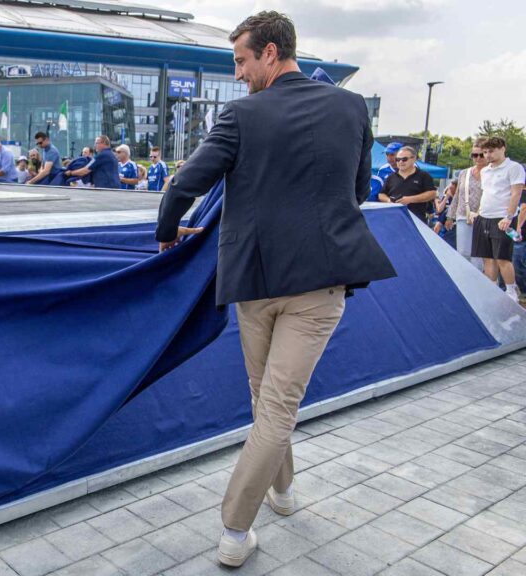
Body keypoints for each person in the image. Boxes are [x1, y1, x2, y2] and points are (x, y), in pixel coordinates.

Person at [155, 11, 395, 567]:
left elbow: (183, 185)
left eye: (240, 60)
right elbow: (356, 191)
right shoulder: (351, 107)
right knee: (274, 404)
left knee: (270, 403)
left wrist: (167, 235)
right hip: (319, 280)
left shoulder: (239, 116)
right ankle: (282, 491)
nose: (237, 74)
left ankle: (235, 528)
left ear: (269, 53)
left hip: (254, 282)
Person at [473, 136, 526, 301]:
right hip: (483, 217)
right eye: (485, 151)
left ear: (502, 148)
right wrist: (477, 212)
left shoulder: (514, 167)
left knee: (503, 257)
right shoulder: (485, 170)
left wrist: (509, 217)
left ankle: (511, 291)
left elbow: (516, 194)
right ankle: (492, 289)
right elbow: (486, 193)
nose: (488, 155)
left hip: (503, 219)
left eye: (491, 151)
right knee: (487, 258)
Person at [445, 141, 487, 267]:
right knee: (463, 252)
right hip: (464, 215)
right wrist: (449, 216)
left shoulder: (492, 173)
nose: (478, 158)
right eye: (475, 155)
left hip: (484, 217)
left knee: (479, 256)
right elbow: (457, 195)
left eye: (481, 155)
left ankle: (477, 282)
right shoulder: (464, 173)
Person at [378, 146, 437, 223]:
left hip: (417, 220)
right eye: (397, 159)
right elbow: (381, 194)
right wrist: (388, 200)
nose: (400, 162)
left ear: (414, 159)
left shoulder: (424, 176)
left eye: (404, 159)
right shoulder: (391, 177)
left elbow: (432, 194)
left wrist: (410, 199)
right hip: (393, 220)